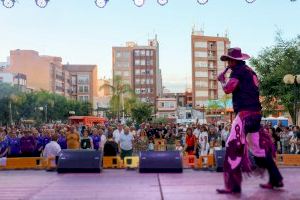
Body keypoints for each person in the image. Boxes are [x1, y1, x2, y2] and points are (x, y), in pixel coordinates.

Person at [216, 47, 283, 194]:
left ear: (234, 60)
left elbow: (228, 89)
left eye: (228, 59)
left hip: (245, 116)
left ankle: (233, 186)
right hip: (256, 115)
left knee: (233, 146)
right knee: (259, 150)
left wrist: (222, 81)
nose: (227, 62)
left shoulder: (238, 72)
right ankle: (276, 179)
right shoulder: (250, 71)